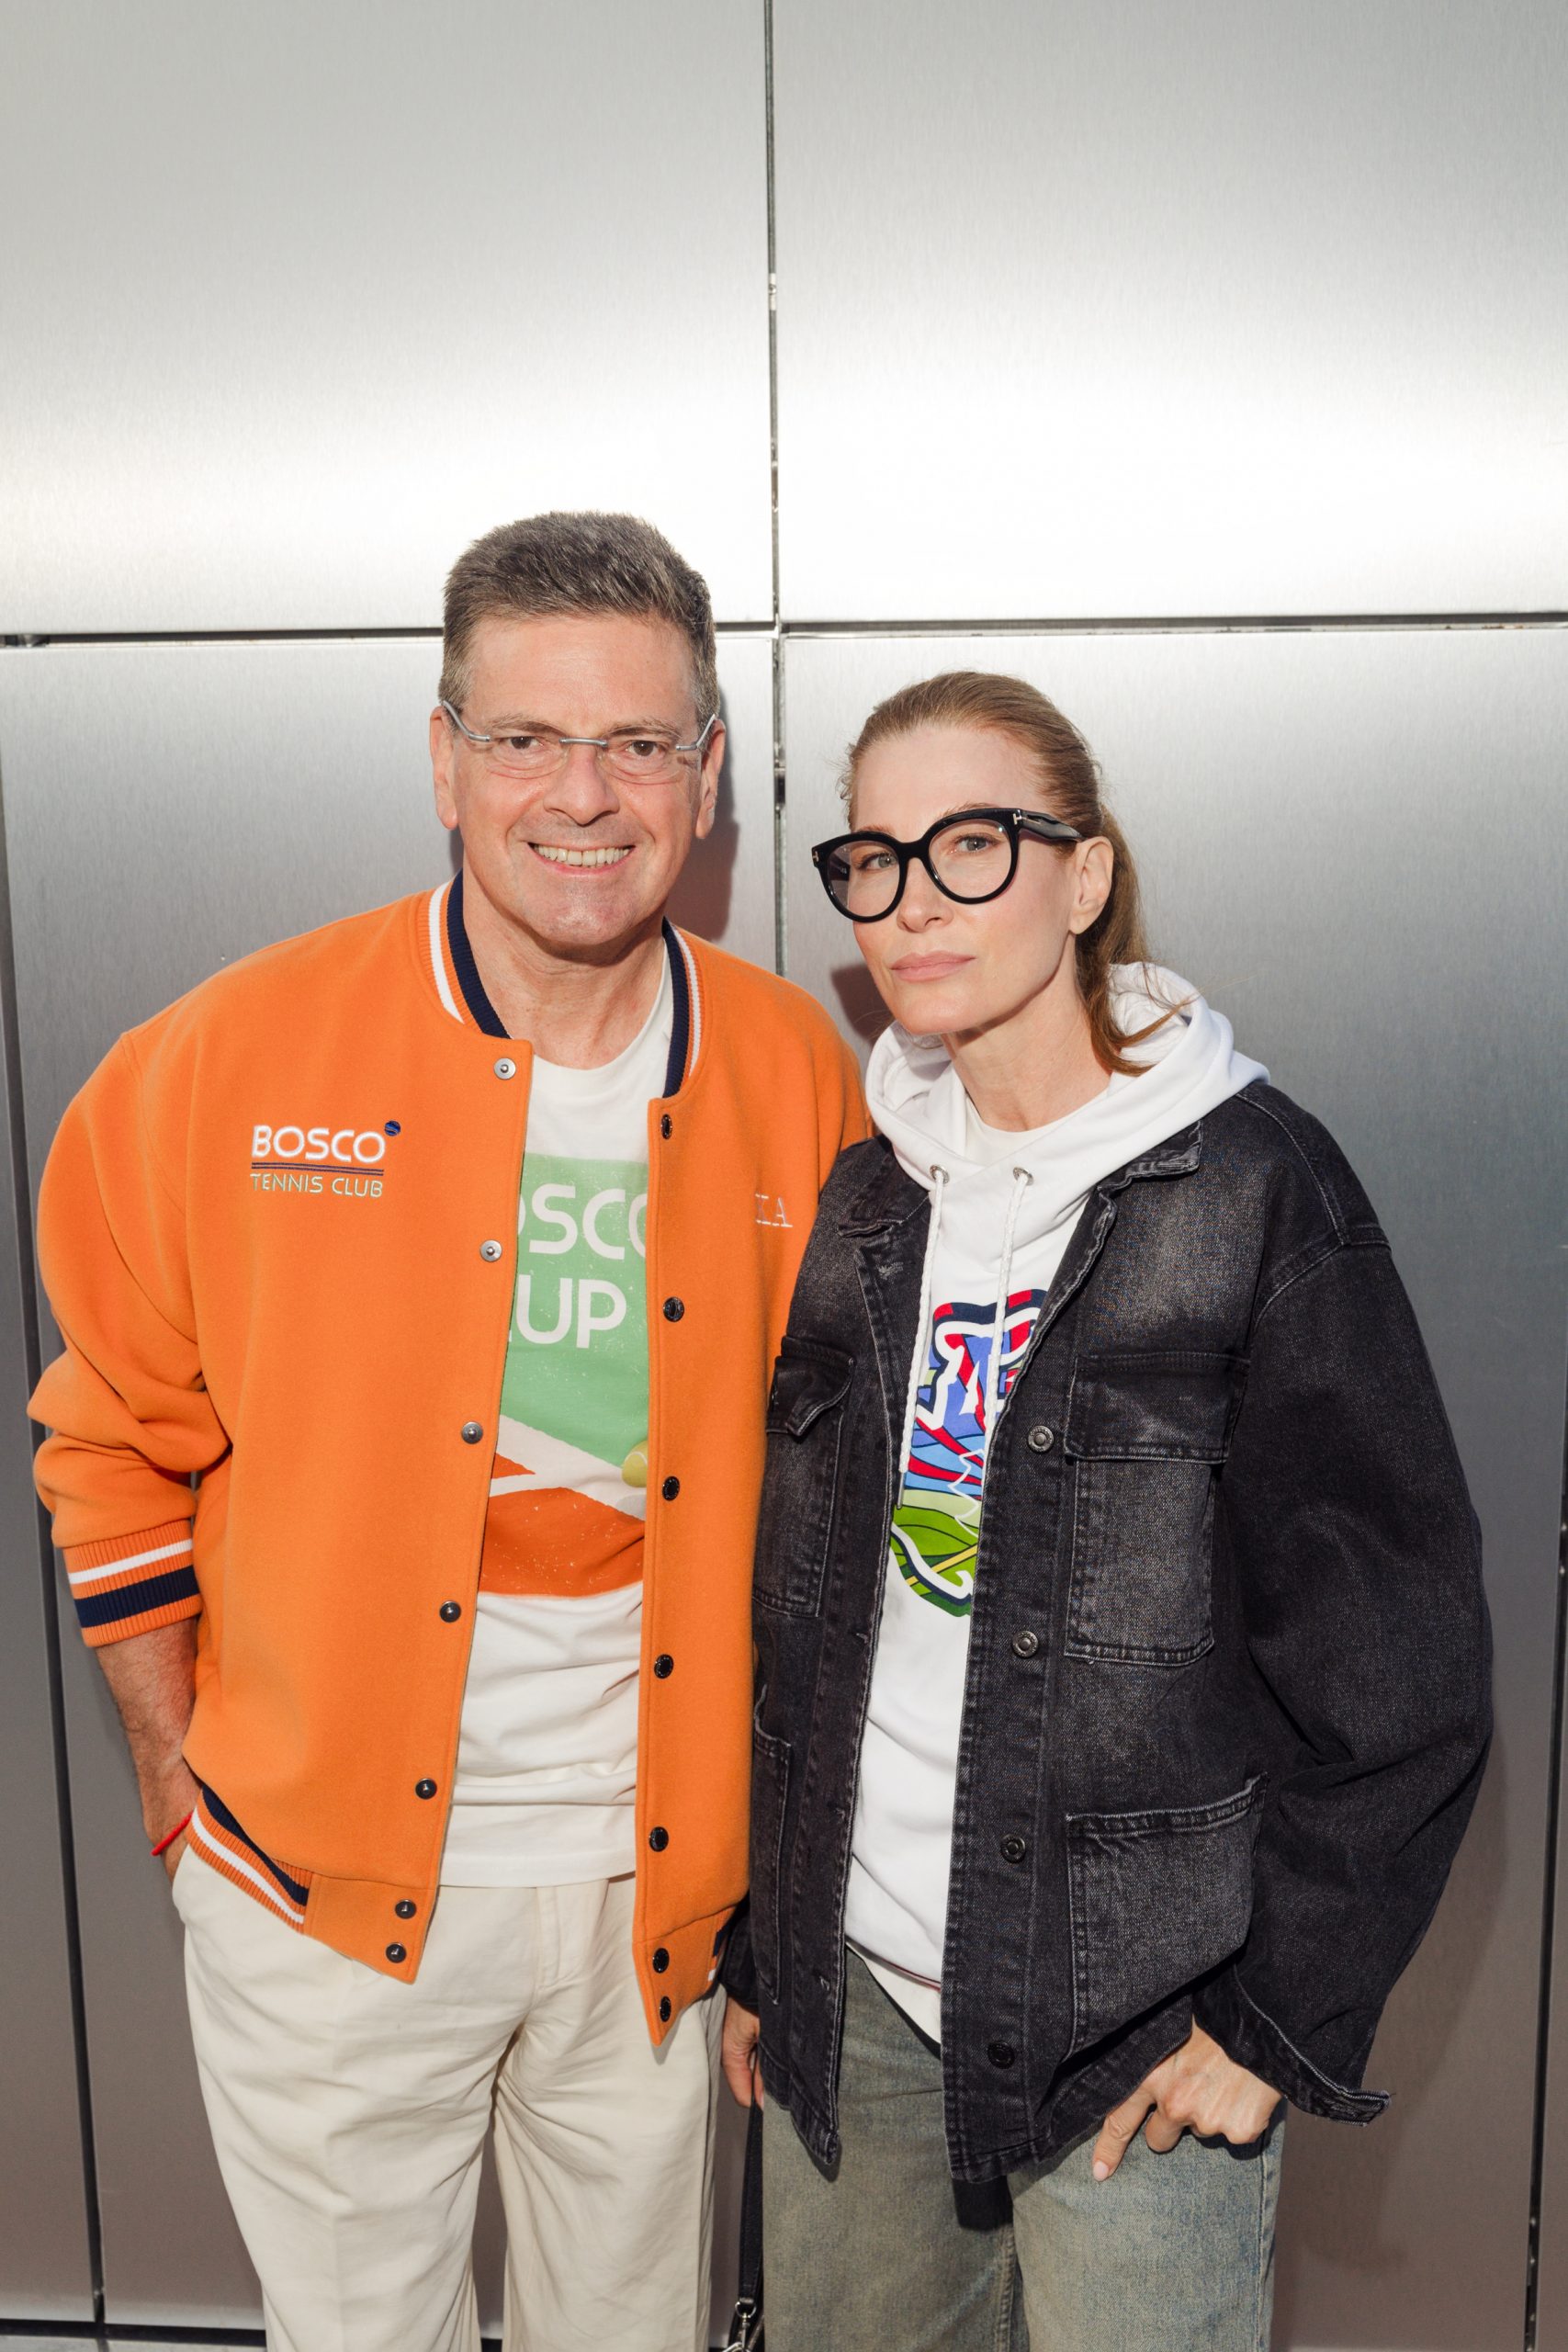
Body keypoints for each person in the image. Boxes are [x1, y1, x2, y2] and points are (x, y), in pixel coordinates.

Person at [29, 511, 866, 2352]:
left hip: (656, 1907)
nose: (582, 793)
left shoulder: (798, 1073)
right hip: (316, 1898)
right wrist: (177, 1774)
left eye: (636, 741)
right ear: (443, 759)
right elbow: (107, 1441)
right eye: (525, 738)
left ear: (707, 773)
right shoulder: (224, 1059)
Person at [719, 669, 1491, 2350]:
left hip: (1134, 2021)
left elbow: (1402, 1662)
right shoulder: (869, 1196)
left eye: (971, 844)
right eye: (874, 859)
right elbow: (806, 1608)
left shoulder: (1254, 1190)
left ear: (1085, 877)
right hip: (857, 1994)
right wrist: (768, 1946)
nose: (912, 902)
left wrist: (1282, 2015)